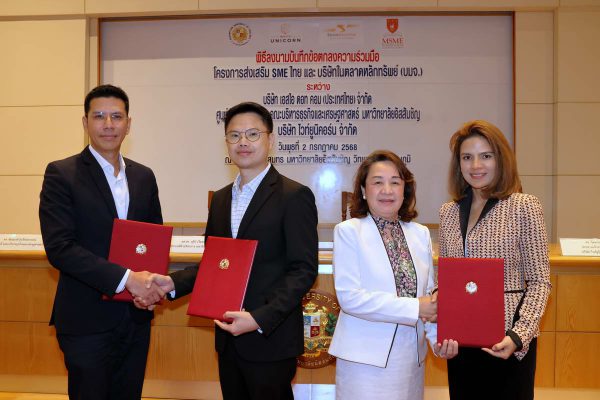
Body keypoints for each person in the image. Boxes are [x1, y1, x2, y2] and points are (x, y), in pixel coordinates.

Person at [143, 101, 319, 400]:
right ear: (226, 142)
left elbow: (303, 270)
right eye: (235, 135)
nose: (243, 142)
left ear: (270, 140)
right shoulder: (222, 199)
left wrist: (259, 318)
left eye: (253, 134)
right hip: (228, 337)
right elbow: (215, 263)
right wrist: (172, 283)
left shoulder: (294, 196)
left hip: (270, 338)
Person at [39, 84, 165, 400]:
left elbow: (152, 240)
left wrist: (149, 289)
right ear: (85, 123)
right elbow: (60, 248)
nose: (108, 124)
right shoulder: (61, 174)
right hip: (85, 319)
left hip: (135, 316)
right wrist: (127, 279)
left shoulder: (144, 176)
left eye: (116, 117)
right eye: (99, 116)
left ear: (128, 124)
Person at [328, 150, 457, 400]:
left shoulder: (419, 233)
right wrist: (416, 307)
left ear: (404, 190)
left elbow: (430, 297)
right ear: (363, 191)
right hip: (364, 363)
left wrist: (438, 341)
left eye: (395, 182)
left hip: (411, 361)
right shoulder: (348, 231)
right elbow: (350, 298)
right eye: (377, 182)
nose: (387, 190)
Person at [438, 120, 551, 400]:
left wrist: (518, 335)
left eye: (485, 156)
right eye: (467, 157)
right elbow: (447, 279)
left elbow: (540, 282)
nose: (476, 165)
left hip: (507, 342)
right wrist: (442, 328)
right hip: (461, 343)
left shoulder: (524, 206)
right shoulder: (448, 212)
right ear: (458, 164)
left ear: (501, 159)